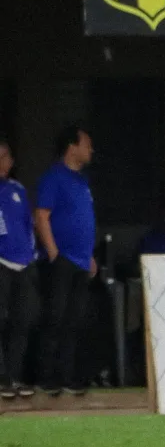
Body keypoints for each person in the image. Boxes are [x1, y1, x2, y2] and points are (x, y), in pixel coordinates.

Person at [35, 125, 99, 396]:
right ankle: (45, 377)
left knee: (75, 320)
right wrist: (53, 253)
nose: (91, 150)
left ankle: (68, 376)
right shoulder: (53, 177)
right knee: (55, 318)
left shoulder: (82, 181)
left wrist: (90, 256)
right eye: (87, 144)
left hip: (82, 261)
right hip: (63, 260)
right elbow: (41, 216)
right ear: (72, 147)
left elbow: (82, 220)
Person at [0, 139, 36, 399]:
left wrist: (31, 254)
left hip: (22, 264)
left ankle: (14, 376)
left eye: (5, 156)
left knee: (22, 320)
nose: (3, 162)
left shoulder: (18, 189)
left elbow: (28, 224)